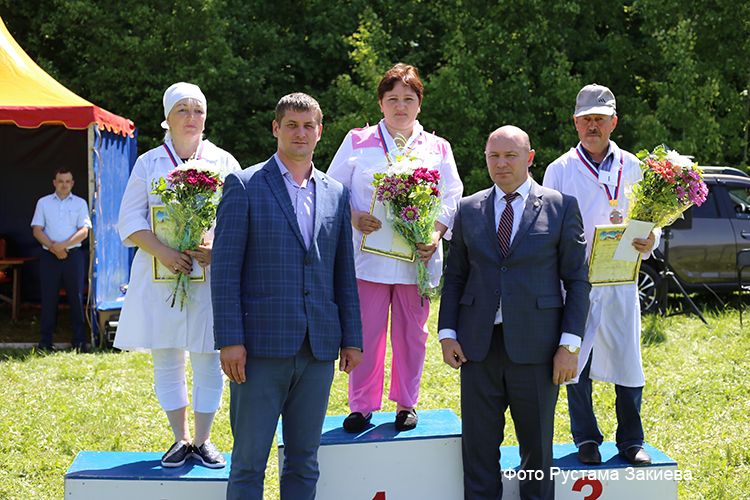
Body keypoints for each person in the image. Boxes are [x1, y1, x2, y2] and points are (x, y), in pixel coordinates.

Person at [212, 93, 363, 499]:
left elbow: (342, 272)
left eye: (308, 125)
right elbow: (224, 272)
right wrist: (229, 340)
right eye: (291, 125)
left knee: (304, 461)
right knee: (248, 462)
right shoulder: (244, 186)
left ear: (320, 131)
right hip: (259, 349)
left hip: (317, 349)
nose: (300, 133)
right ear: (276, 128)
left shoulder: (335, 192)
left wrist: (351, 337)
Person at [438, 126, 590, 499]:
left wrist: (569, 346)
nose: (501, 163)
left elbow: (578, 281)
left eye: (510, 155)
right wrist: (447, 334)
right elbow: (454, 277)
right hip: (477, 348)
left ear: (530, 158)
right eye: (494, 156)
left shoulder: (560, 206)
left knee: (537, 452)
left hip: (539, 351)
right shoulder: (468, 209)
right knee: (477, 450)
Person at [328, 63, 463, 433]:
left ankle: (406, 403)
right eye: (392, 99)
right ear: (380, 103)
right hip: (367, 258)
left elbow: (453, 194)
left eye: (408, 99)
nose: (400, 107)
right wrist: (355, 216)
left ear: (419, 103)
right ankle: (362, 405)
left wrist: (436, 234)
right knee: (366, 333)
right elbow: (333, 189)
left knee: (411, 335)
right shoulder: (357, 141)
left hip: (414, 260)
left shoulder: (438, 147)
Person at [114, 82, 240, 469]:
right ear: (167, 118)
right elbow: (129, 219)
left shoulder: (223, 162)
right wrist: (166, 253)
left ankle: (203, 440)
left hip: (208, 278)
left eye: (197, 110)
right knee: (167, 358)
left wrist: (216, 250)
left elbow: (238, 218)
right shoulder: (149, 163)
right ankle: (179, 438)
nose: (191, 117)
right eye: (182, 110)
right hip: (159, 276)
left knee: (207, 356)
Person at [543, 83, 658, 466]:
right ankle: (586, 439)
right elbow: (546, 225)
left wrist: (652, 238)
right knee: (579, 362)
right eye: (586, 119)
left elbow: (652, 219)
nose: (593, 125)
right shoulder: (559, 169)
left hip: (623, 279)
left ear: (614, 122)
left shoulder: (636, 166)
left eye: (601, 119)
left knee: (628, 360)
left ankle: (631, 440)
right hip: (577, 281)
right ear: (575, 123)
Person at [31, 168, 91, 352]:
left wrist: (62, 246)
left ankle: (79, 341)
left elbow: (84, 231)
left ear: (72, 183)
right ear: (54, 182)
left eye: (67, 181)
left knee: (76, 297)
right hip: (50, 257)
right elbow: (37, 229)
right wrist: (53, 248)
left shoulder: (80, 203)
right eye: (60, 181)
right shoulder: (43, 203)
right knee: (49, 298)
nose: (64, 184)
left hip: (73, 257)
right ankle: (45, 342)